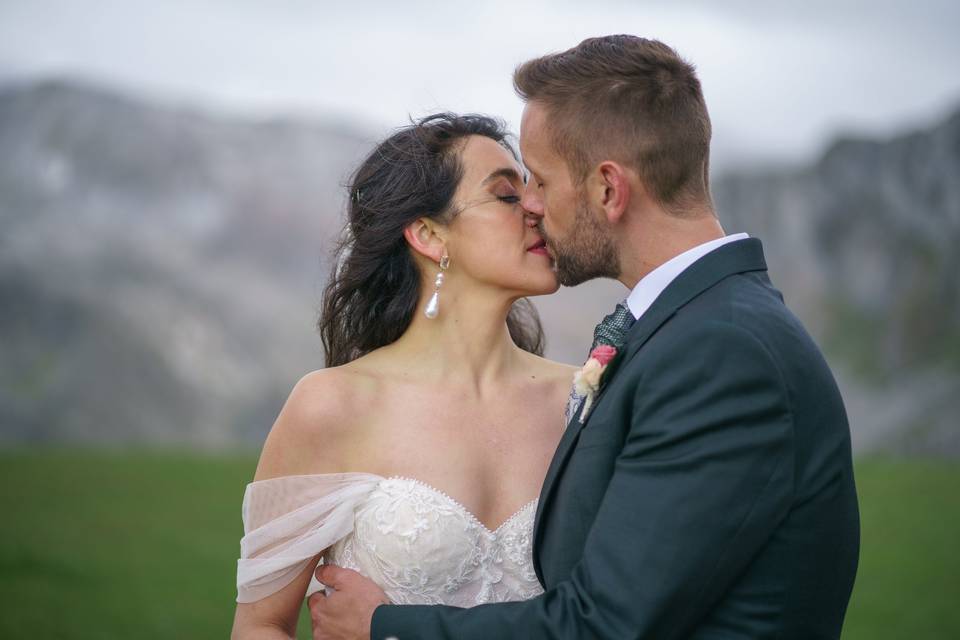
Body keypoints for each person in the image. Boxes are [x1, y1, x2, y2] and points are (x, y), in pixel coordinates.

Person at [309, 35, 861, 640]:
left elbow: (607, 625)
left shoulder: (721, 353)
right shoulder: (694, 329)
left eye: (539, 181)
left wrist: (384, 627)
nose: (532, 206)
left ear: (607, 189)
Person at [230, 113, 577, 639]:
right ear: (428, 234)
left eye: (531, 190)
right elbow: (260, 626)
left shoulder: (584, 400)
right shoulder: (332, 405)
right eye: (507, 196)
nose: (535, 207)